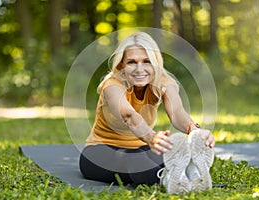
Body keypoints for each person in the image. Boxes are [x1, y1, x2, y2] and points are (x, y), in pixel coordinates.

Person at [79, 32, 215, 194]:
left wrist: (194, 131)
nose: (139, 69)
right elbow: (129, 116)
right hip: (100, 151)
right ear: (121, 66)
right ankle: (166, 179)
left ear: (155, 64)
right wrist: (151, 137)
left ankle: (192, 172)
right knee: (136, 161)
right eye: (132, 62)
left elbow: (177, 112)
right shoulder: (112, 86)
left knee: (165, 154)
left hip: (142, 147)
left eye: (146, 61)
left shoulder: (164, 82)